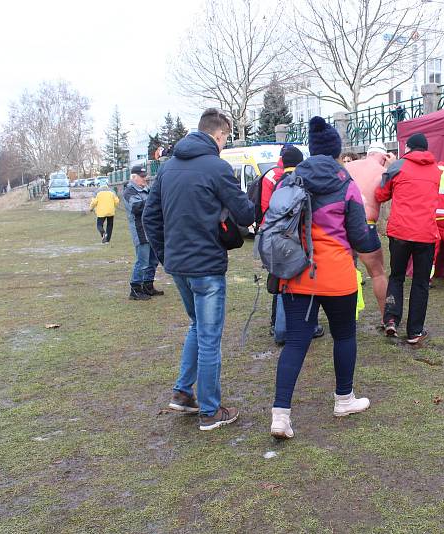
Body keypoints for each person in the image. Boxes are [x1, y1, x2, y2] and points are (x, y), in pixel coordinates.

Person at [143, 108, 254, 431]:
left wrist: (167, 256)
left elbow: (150, 217)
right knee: (209, 337)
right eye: (226, 138)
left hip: (179, 266)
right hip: (206, 266)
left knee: (197, 327)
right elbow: (245, 214)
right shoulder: (217, 168)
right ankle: (210, 410)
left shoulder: (168, 168)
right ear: (219, 136)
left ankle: (182, 392)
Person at [270, 116, 380, 440]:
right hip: (337, 276)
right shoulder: (345, 183)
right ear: (336, 152)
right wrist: (374, 246)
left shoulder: (290, 181)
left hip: (296, 273)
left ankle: (280, 415)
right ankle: (343, 399)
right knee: (344, 336)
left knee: (295, 343)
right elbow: (360, 236)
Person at [375, 133, 440, 345]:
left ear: (409, 148)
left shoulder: (398, 166)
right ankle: (415, 331)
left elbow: (381, 195)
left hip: (401, 232)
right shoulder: (436, 169)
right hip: (426, 233)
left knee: (397, 277)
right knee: (421, 283)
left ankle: (391, 319)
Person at [259, 146, 325, 344]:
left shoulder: (275, 181)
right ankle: (305, 325)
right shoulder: (301, 182)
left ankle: (276, 324)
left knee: (278, 281)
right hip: (296, 241)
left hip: (274, 239)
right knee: (301, 282)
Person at [344, 142, 394, 319]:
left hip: (342, 224)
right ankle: (386, 318)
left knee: (346, 270)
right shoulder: (383, 172)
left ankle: (347, 315)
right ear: (383, 156)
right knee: (378, 273)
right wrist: (391, 167)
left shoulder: (347, 166)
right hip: (366, 223)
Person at [123, 164, 163, 300]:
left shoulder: (146, 189)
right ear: (134, 177)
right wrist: (153, 201)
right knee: (142, 261)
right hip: (140, 231)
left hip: (151, 230)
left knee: (153, 260)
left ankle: (148, 285)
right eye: (142, 177)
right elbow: (137, 207)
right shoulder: (129, 192)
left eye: (145, 176)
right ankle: (135, 289)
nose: (144, 179)